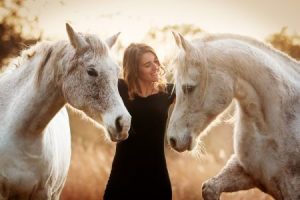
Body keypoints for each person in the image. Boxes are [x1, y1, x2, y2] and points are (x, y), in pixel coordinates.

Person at [104, 43, 175, 200]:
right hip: (122, 178)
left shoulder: (168, 92)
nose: (155, 67)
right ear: (135, 70)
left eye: (156, 61)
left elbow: (198, 95)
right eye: (148, 65)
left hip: (157, 179)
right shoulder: (120, 89)